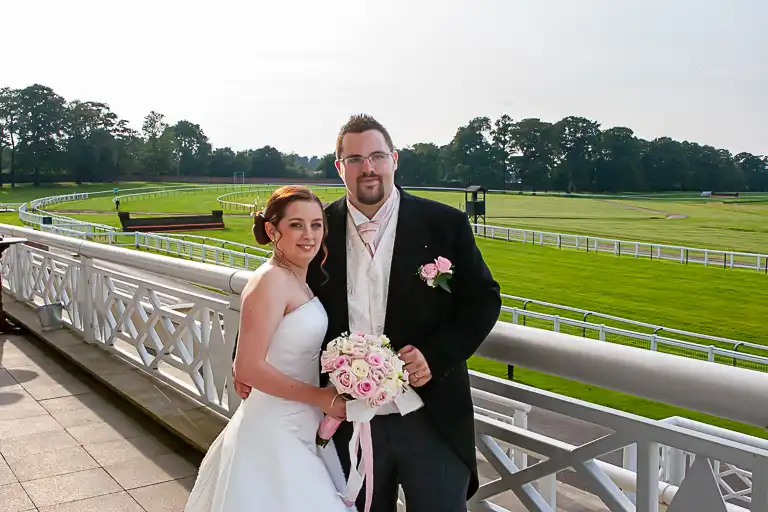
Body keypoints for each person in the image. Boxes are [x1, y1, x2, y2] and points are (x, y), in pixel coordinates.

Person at [238, 114, 502, 511]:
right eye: (356, 159)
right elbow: (280, 286)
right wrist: (246, 355)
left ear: (394, 159)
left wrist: (437, 354)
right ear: (339, 167)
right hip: (344, 418)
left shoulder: (444, 223)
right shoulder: (316, 227)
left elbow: (483, 299)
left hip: (432, 415)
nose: (369, 168)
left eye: (377, 156)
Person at [184, 185, 356, 512]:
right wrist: (320, 397)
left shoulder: (298, 279)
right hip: (275, 427)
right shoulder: (270, 280)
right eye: (296, 224)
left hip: (300, 423)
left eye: (316, 224)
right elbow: (248, 368)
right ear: (271, 230)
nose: (309, 235)